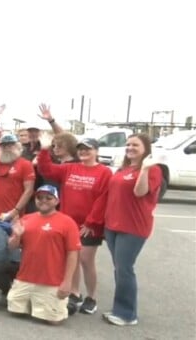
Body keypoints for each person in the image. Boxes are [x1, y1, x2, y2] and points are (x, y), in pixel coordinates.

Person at [92, 133, 163, 326]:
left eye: (135, 145)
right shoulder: (122, 170)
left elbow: (139, 192)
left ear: (146, 148)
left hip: (133, 227)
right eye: (128, 144)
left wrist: (145, 169)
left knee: (124, 269)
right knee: (120, 269)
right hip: (113, 226)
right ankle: (121, 308)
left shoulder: (153, 170)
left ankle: (127, 314)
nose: (130, 147)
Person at [36, 136, 112, 314]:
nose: (84, 152)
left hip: (90, 225)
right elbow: (46, 170)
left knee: (86, 260)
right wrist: (45, 149)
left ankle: (92, 297)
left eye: (88, 149)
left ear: (96, 151)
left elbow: (103, 199)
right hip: (68, 222)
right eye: (81, 149)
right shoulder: (69, 168)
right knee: (72, 259)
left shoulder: (104, 172)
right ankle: (75, 292)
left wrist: (91, 222)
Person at [6, 185, 81, 325]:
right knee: (15, 312)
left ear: (57, 201)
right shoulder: (26, 219)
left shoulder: (67, 222)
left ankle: (66, 303)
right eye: (39, 197)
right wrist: (16, 236)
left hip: (52, 280)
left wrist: (67, 282)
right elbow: (11, 247)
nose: (43, 200)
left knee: (51, 321)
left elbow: (73, 253)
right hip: (25, 277)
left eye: (48, 197)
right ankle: (40, 303)